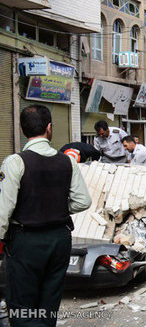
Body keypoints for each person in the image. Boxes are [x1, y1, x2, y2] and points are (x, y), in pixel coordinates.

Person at [0, 105, 92, 327]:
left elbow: (4, 209)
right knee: (49, 304)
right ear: (50, 128)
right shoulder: (67, 161)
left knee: (22, 307)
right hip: (60, 239)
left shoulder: (15, 162)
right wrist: (55, 207)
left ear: (23, 130)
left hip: (26, 242)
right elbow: (83, 201)